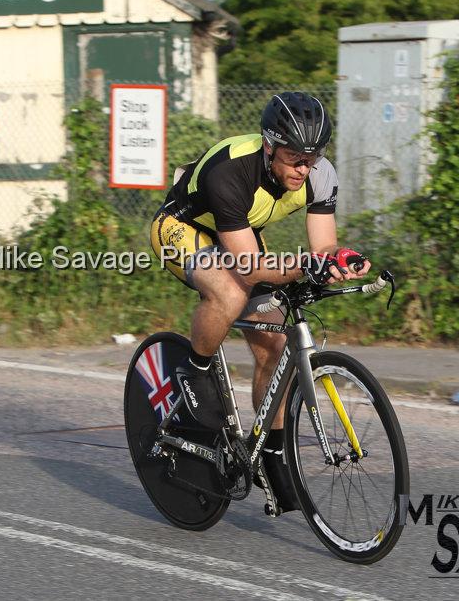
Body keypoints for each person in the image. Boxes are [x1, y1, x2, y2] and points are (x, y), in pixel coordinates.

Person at [149, 92, 371, 512]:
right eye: (294, 158)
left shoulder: (319, 173)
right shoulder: (231, 170)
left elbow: (323, 245)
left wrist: (337, 261)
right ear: (269, 146)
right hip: (183, 228)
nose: (304, 169)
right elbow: (249, 269)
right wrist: (303, 266)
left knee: (275, 345)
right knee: (230, 292)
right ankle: (195, 371)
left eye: (312, 157)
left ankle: (270, 451)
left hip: (239, 235)